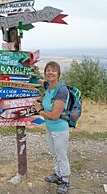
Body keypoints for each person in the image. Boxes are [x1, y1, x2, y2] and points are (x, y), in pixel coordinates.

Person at [33, 61, 70, 194]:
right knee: (54, 153)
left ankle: (65, 180)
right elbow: (36, 80)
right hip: (50, 128)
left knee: (61, 155)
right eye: (48, 70)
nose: (50, 72)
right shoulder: (48, 86)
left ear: (58, 74)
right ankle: (58, 174)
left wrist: (39, 109)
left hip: (60, 129)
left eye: (53, 70)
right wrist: (27, 72)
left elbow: (54, 115)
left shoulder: (61, 90)